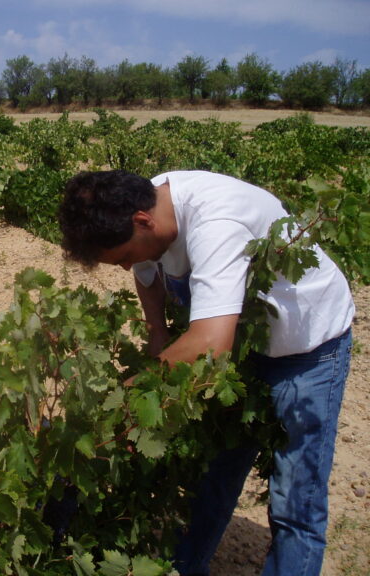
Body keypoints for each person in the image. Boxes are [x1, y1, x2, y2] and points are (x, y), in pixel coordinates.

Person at [58, 170, 354, 576]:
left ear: (144, 221)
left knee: (295, 502)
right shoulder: (147, 201)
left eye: (125, 256)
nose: (127, 264)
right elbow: (146, 272)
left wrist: (127, 397)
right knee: (214, 476)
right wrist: (158, 332)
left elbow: (211, 342)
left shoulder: (216, 223)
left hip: (306, 348)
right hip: (243, 343)